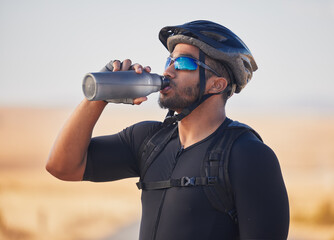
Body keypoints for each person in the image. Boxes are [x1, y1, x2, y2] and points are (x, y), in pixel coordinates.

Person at [46, 20, 290, 240]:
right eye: (169, 60)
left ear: (217, 84)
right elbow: (62, 166)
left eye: (183, 63)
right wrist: (99, 96)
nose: (168, 71)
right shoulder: (148, 141)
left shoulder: (248, 155)